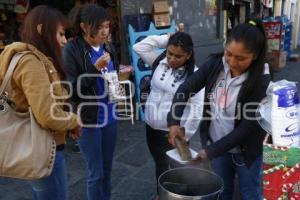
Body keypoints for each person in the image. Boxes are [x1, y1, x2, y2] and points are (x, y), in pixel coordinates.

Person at [167, 19, 271, 200]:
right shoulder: (216, 64)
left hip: (247, 151)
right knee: (221, 191)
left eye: (240, 58)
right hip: (218, 144)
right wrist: (174, 121)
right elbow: (186, 89)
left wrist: (210, 151)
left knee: (250, 194)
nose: (232, 62)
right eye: (229, 53)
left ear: (255, 55)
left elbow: (248, 127)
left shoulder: (262, 80)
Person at [0, 5, 81, 200]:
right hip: (45, 150)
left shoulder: (31, 59)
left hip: (38, 147)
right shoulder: (32, 62)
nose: (63, 41)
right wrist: (75, 120)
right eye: (60, 34)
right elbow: (46, 116)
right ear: (41, 30)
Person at [133, 32, 204, 199]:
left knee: (179, 169)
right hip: (151, 126)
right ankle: (162, 194)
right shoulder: (160, 62)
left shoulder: (195, 75)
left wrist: (185, 135)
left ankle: (180, 195)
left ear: (189, 55)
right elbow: (139, 47)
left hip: (172, 132)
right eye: (169, 53)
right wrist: (166, 38)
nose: (172, 59)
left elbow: (197, 109)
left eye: (178, 56)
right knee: (160, 163)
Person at [63, 4, 119, 200]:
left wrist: (116, 87)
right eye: (100, 27)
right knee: (96, 174)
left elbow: (112, 76)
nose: (105, 32)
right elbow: (71, 88)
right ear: (85, 27)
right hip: (89, 120)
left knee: (107, 170)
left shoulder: (109, 47)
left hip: (111, 116)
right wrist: (95, 68)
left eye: (107, 26)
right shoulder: (72, 49)